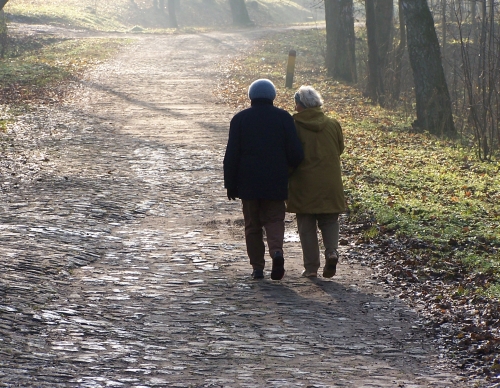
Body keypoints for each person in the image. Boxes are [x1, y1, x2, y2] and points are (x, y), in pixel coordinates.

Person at [224, 79, 304, 280]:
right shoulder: (284, 118)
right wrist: (289, 170)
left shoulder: (240, 119)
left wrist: (230, 184)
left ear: (251, 96)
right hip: (276, 180)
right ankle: (277, 252)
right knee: (275, 219)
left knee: (252, 225)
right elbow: (295, 152)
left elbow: (231, 155)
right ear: (273, 96)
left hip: (248, 182)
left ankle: (257, 268)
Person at [287, 85, 346, 278]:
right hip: (330, 181)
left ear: (300, 105)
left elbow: (291, 153)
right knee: (329, 220)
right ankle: (331, 251)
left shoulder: (294, 125)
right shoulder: (333, 123)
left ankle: (311, 268)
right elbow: (340, 148)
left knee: (306, 224)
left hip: (304, 182)